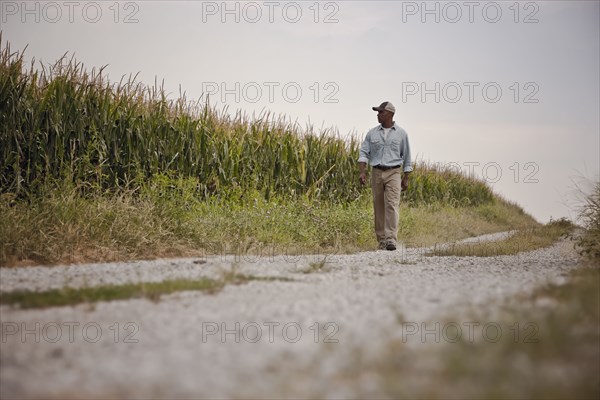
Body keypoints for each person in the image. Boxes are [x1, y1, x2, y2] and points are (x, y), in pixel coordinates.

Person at [358, 101, 412, 251]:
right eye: (378, 112)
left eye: (381, 112)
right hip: (376, 172)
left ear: (390, 114)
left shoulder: (401, 134)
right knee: (379, 206)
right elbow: (363, 153)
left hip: (394, 172)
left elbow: (407, 156)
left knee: (392, 204)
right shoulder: (372, 133)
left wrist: (406, 177)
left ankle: (391, 240)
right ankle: (381, 240)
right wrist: (362, 171)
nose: (378, 114)